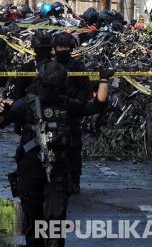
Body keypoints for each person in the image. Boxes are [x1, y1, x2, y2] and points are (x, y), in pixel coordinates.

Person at [0, 60, 114, 247]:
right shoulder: (26, 103)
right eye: (48, 87)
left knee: (56, 217)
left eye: (55, 87)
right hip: (30, 166)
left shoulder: (66, 103)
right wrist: (1, 110)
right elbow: (0, 122)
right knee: (33, 218)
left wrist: (104, 79)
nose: (51, 91)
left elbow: (95, 106)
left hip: (58, 165)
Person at [51, 31, 93, 194]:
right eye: (60, 46)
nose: (63, 49)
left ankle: (74, 179)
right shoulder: (49, 66)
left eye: (66, 47)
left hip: (72, 113)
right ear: (55, 48)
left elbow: (85, 90)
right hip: (53, 112)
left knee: (74, 147)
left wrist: (74, 105)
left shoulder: (78, 67)